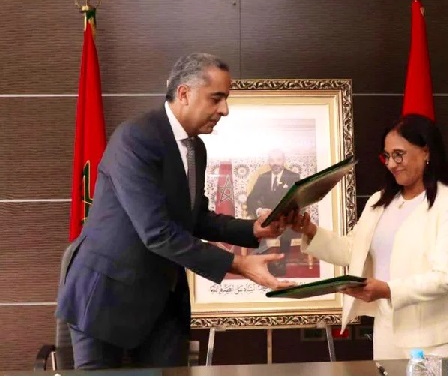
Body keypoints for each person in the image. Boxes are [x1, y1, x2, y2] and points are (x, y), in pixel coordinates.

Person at [56, 53, 294, 370]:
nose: (225, 110)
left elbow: (194, 217)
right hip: (106, 298)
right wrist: (239, 264)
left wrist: (253, 229)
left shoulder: (196, 148)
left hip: (162, 302)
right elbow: (157, 232)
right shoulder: (136, 137)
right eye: (216, 98)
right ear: (184, 94)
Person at [290, 114, 448, 360]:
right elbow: (352, 251)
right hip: (386, 326)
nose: (391, 164)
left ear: (426, 152)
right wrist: (310, 231)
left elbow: (444, 277)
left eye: (399, 155)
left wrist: (388, 290)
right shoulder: (379, 200)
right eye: (387, 156)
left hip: (434, 337)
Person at [246, 149, 301, 276]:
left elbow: (297, 200)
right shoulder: (263, 178)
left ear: (284, 161)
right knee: (257, 227)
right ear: (268, 162)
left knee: (287, 228)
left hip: (286, 216)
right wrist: (259, 210)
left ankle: (281, 262)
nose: (275, 163)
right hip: (266, 216)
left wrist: (286, 213)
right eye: (272, 160)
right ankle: (266, 261)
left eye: (278, 160)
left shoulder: (293, 177)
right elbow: (251, 198)